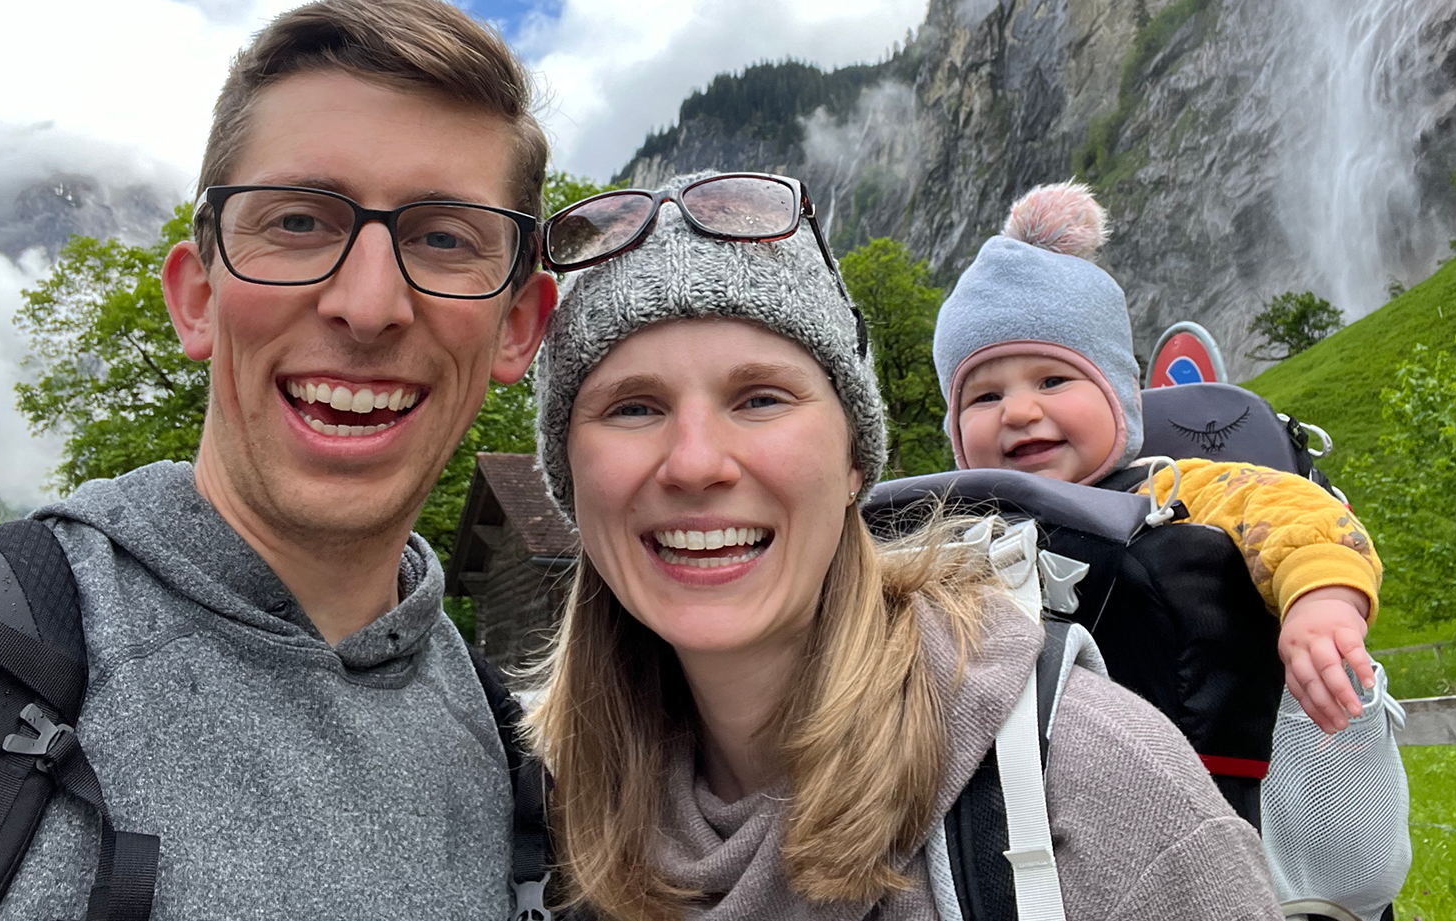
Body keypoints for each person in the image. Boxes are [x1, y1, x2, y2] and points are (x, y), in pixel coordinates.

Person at [0, 0, 557, 919]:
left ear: (518, 328)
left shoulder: (515, 754)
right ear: (197, 297)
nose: (368, 305)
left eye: (444, 238)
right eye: (297, 222)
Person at [523, 171, 1280, 921]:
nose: (694, 462)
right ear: (572, 479)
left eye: (759, 397)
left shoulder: (1091, 779)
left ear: (855, 456)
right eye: (632, 407)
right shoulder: (534, 817)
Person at [930, 182, 1384, 740]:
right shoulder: (958, 530)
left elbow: (1297, 514)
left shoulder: (1169, 486)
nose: (1019, 411)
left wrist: (1321, 603)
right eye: (985, 397)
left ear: (1118, 395)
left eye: (1053, 380)